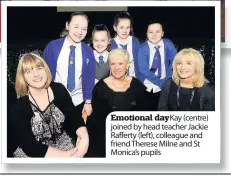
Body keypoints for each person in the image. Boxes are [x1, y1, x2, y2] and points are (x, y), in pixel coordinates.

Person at [9, 52, 89, 158]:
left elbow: (73, 116)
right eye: (29, 71)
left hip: (62, 142)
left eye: (39, 68)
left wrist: (84, 137)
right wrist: (65, 157)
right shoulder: (19, 106)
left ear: (45, 69)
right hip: (33, 153)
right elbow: (29, 146)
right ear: (23, 78)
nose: (36, 74)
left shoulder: (59, 89)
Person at [86, 48, 149, 157]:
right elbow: (96, 124)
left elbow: (146, 117)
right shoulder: (100, 88)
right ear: (109, 66)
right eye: (113, 64)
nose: (116, 68)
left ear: (127, 65)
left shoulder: (137, 85)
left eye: (120, 63)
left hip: (134, 139)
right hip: (106, 140)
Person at [43, 12, 95, 116]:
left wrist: (88, 102)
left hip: (78, 102)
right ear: (67, 25)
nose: (80, 32)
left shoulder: (88, 51)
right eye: (76, 27)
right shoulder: (52, 47)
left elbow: (90, 77)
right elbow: (44, 73)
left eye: (84, 29)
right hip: (54, 101)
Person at [138, 21, 177, 111]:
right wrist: (160, 83)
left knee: (163, 111)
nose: (154, 35)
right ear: (147, 34)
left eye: (157, 31)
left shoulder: (168, 44)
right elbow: (143, 69)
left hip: (165, 82)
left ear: (162, 33)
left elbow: (175, 61)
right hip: (146, 84)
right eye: (150, 32)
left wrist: (166, 80)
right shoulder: (142, 48)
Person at [110, 11, 140, 79]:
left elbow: (140, 64)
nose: (125, 31)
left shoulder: (135, 41)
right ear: (115, 27)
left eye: (127, 27)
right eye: (121, 27)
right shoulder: (110, 44)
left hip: (133, 81)